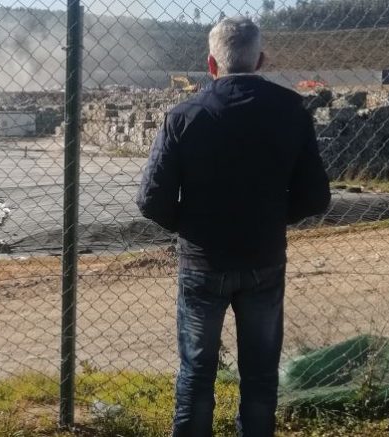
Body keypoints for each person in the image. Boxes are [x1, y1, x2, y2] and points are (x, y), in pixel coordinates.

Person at [136, 17, 331, 437]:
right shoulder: (292, 110)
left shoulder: (184, 116)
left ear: (210, 64)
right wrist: (272, 217)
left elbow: (151, 199)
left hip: (202, 263)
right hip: (264, 259)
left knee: (196, 372)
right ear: (260, 60)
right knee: (260, 374)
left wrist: (191, 225)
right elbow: (316, 197)